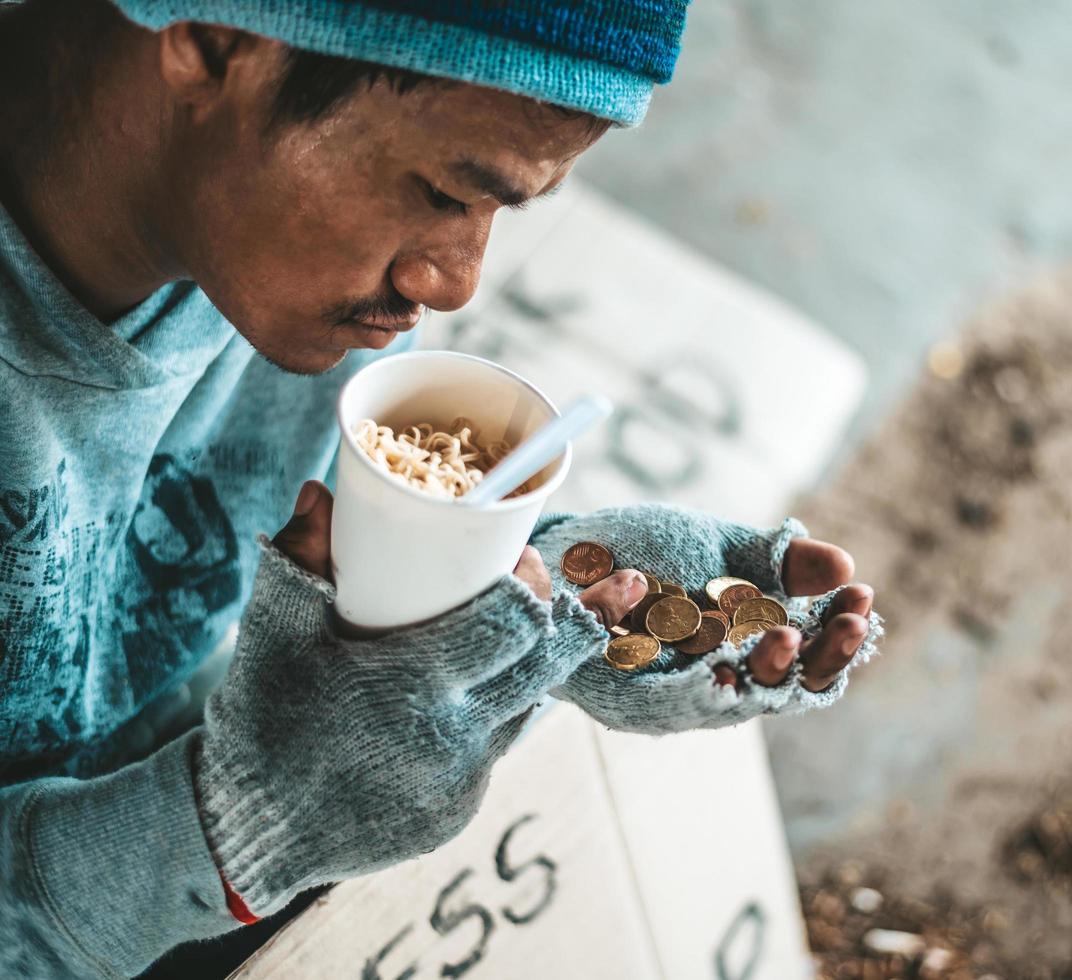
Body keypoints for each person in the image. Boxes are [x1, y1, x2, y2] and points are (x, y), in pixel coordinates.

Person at [0, 0, 882, 976]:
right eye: (442, 191)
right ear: (218, 41)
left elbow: (270, 603)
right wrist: (227, 830)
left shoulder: (271, 266)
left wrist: (527, 599)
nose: (456, 280)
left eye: (504, 210)